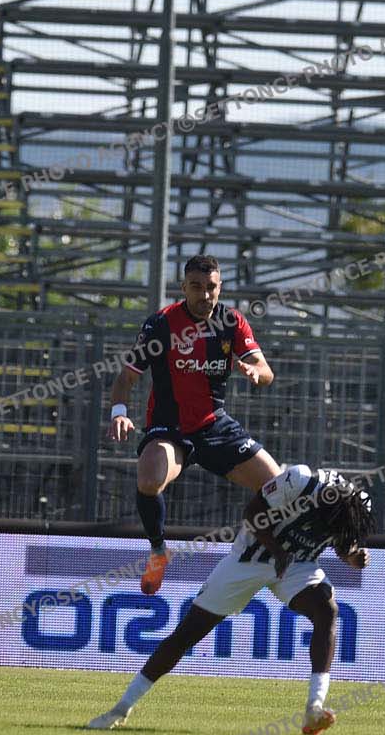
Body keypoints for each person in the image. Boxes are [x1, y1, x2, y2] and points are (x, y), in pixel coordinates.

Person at [87, 464, 374, 735]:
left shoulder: (355, 507)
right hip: (249, 559)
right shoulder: (300, 481)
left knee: (327, 611)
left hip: (298, 565)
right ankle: (121, 708)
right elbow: (252, 512)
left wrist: (351, 556)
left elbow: (343, 544)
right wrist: (277, 551)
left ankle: (314, 707)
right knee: (187, 634)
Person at [107, 254, 279, 595]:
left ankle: (263, 553)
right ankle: (158, 551)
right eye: (196, 287)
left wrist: (256, 373)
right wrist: (119, 413)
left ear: (220, 287)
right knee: (149, 479)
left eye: (211, 287)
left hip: (215, 426)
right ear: (183, 288)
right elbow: (126, 377)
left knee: (278, 487)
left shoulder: (232, 321)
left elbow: (266, 371)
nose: (205, 294)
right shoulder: (161, 324)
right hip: (170, 428)